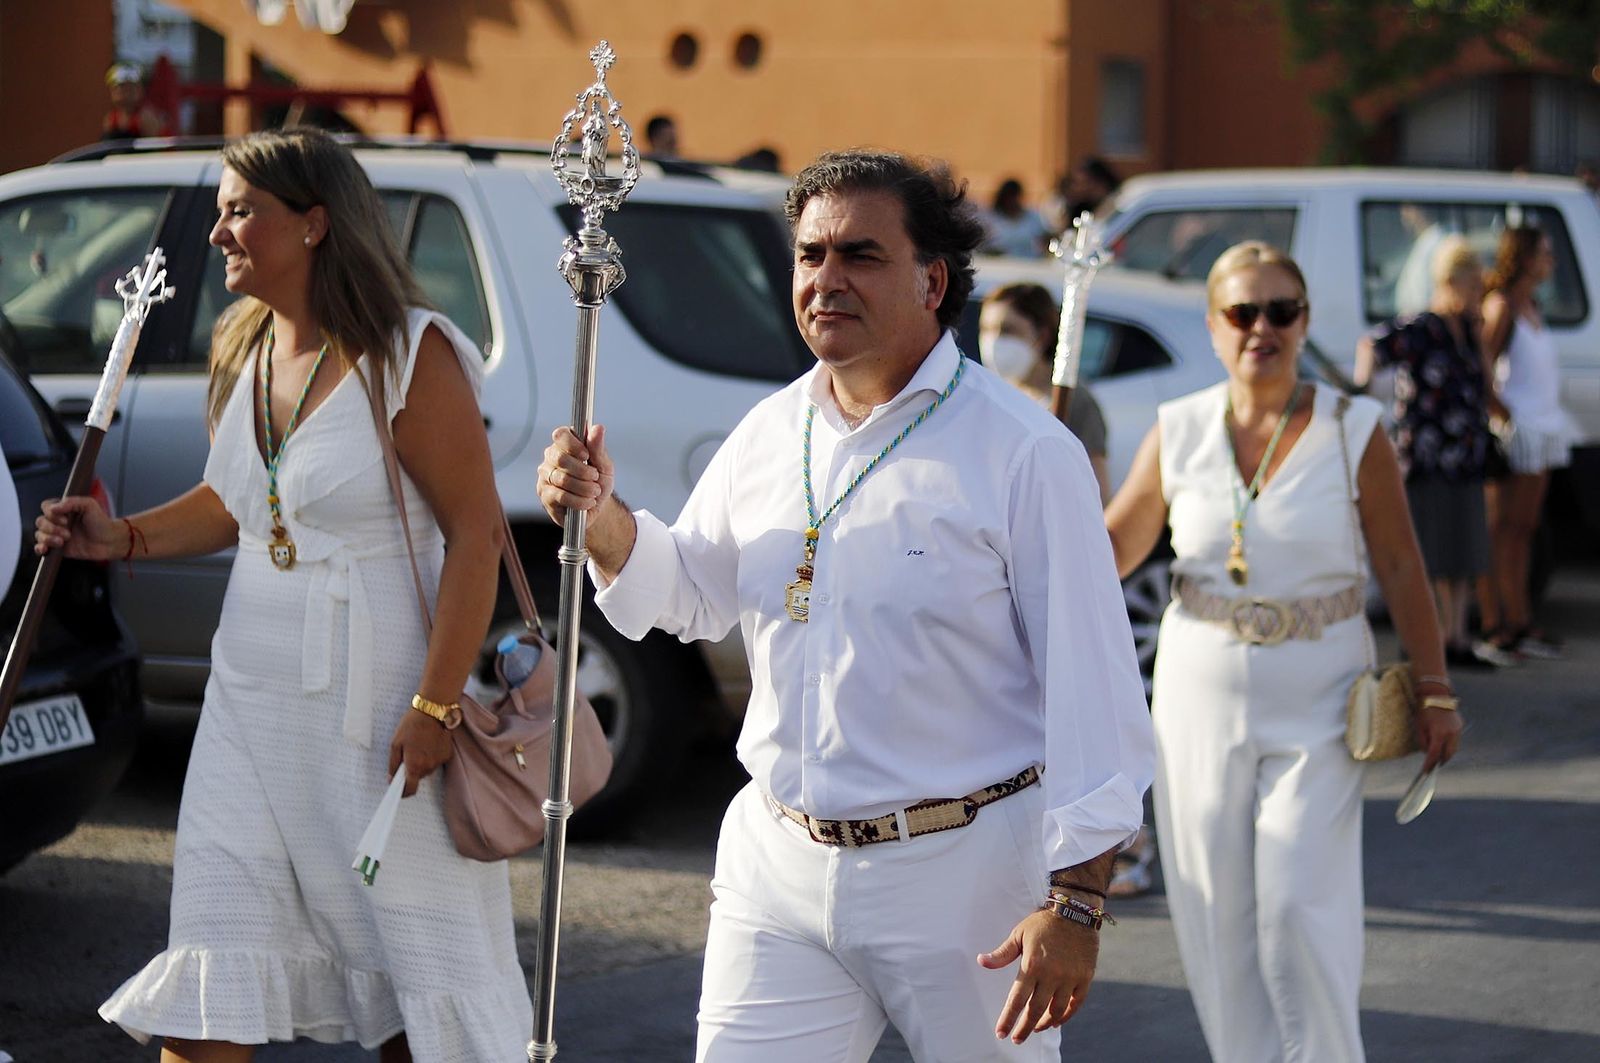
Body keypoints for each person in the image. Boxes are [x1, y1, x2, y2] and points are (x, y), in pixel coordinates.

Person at [539, 150, 1155, 1060]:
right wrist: (602, 523)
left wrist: (1077, 903)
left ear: (932, 280)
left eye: (859, 255)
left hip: (967, 873)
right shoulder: (769, 430)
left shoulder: (1024, 451)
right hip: (778, 866)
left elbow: (1095, 691)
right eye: (809, 255)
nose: (825, 279)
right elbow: (694, 592)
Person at [34, 128, 531, 1062]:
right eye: (220, 211)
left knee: (415, 991)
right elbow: (238, 499)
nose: (219, 232)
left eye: (238, 211)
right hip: (247, 704)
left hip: (378, 706)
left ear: (313, 224)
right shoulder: (247, 343)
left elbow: (475, 535)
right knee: (215, 960)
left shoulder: (409, 353)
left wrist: (435, 705)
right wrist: (122, 535)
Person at [1104, 241, 1463, 1062]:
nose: (1261, 327)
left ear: (1304, 323)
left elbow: (1403, 562)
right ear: (1214, 325)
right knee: (1213, 907)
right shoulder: (1179, 427)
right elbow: (1114, 544)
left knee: (1301, 904)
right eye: (1242, 312)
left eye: (1281, 311)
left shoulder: (1352, 427)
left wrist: (1436, 686)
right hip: (1198, 687)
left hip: (1323, 687)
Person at [1356, 236, 1500, 669]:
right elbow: (1373, 346)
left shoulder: (1467, 332)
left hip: (1466, 456)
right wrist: (1364, 385)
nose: (1478, 295)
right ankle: (1428, 641)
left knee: (1463, 552)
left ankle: (1456, 638)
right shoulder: (1423, 326)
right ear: (1450, 282)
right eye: (1472, 286)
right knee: (1431, 554)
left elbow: (1486, 385)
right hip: (1428, 457)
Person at [1476, 225, 1577, 662]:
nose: (1550, 261)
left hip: (1543, 429)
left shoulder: (1532, 305)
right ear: (1524, 257)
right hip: (1516, 434)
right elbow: (1480, 365)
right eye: (1544, 252)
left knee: (1523, 531)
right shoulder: (1501, 306)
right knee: (1499, 532)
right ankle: (1494, 625)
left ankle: (1520, 620)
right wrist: (1500, 411)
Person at [976, 282, 1111, 501]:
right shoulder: (993, 394)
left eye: (1007, 330)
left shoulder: (1074, 401)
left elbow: (1097, 492)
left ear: (1042, 335)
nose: (994, 342)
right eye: (986, 330)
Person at [103, 62, 172, 141]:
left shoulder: (146, 117)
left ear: (140, 90)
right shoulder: (111, 118)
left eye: (130, 88)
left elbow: (153, 149)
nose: (125, 92)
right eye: (119, 87)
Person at [983, 178, 1050, 257]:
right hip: (1000, 265)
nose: (1012, 201)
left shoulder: (1033, 217)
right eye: (1009, 198)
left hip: (1029, 263)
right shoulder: (991, 218)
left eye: (1014, 197)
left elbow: (1047, 239)